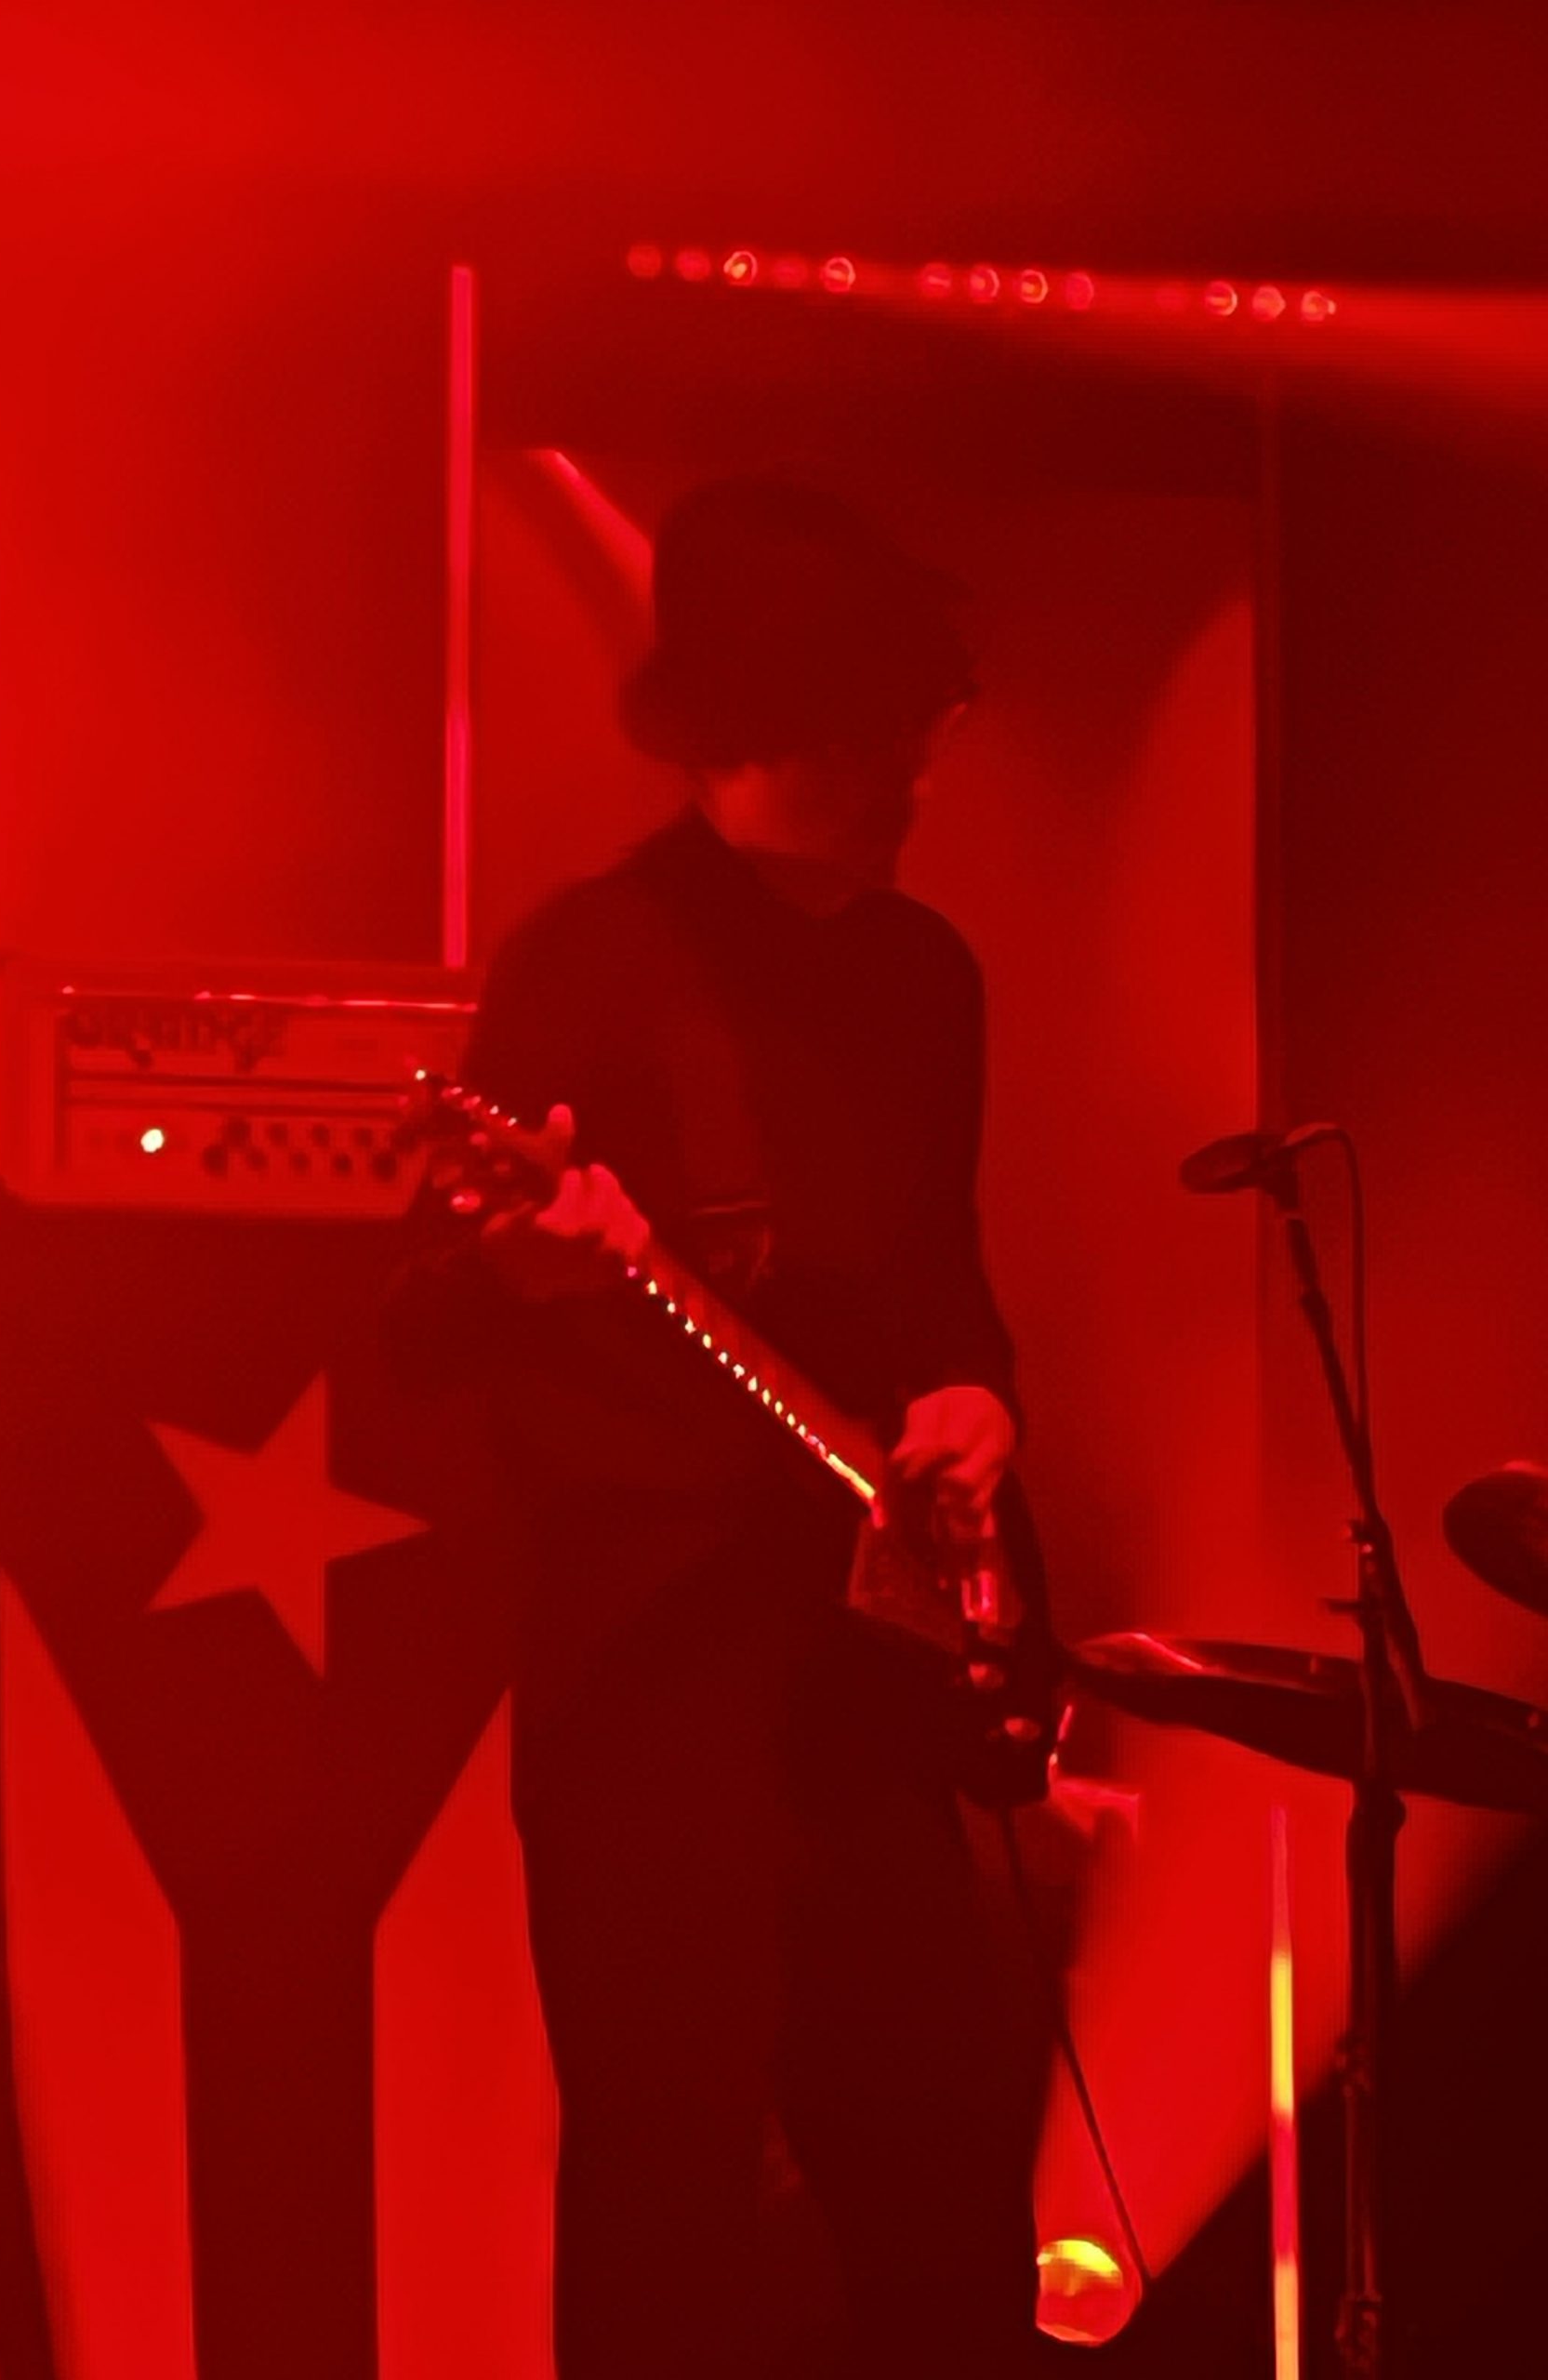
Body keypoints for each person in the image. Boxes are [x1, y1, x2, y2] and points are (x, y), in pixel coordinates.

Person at [390, 477, 1058, 2380]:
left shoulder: (926, 976)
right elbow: (417, 1318)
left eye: (920, 727)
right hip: (649, 1673)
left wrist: (980, 1401)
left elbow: (943, 1275)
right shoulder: (593, 962)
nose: (909, 775)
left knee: (942, 2171)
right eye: (870, 736)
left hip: (871, 1672)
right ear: (758, 732)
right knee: (666, 2174)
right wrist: (535, 1260)